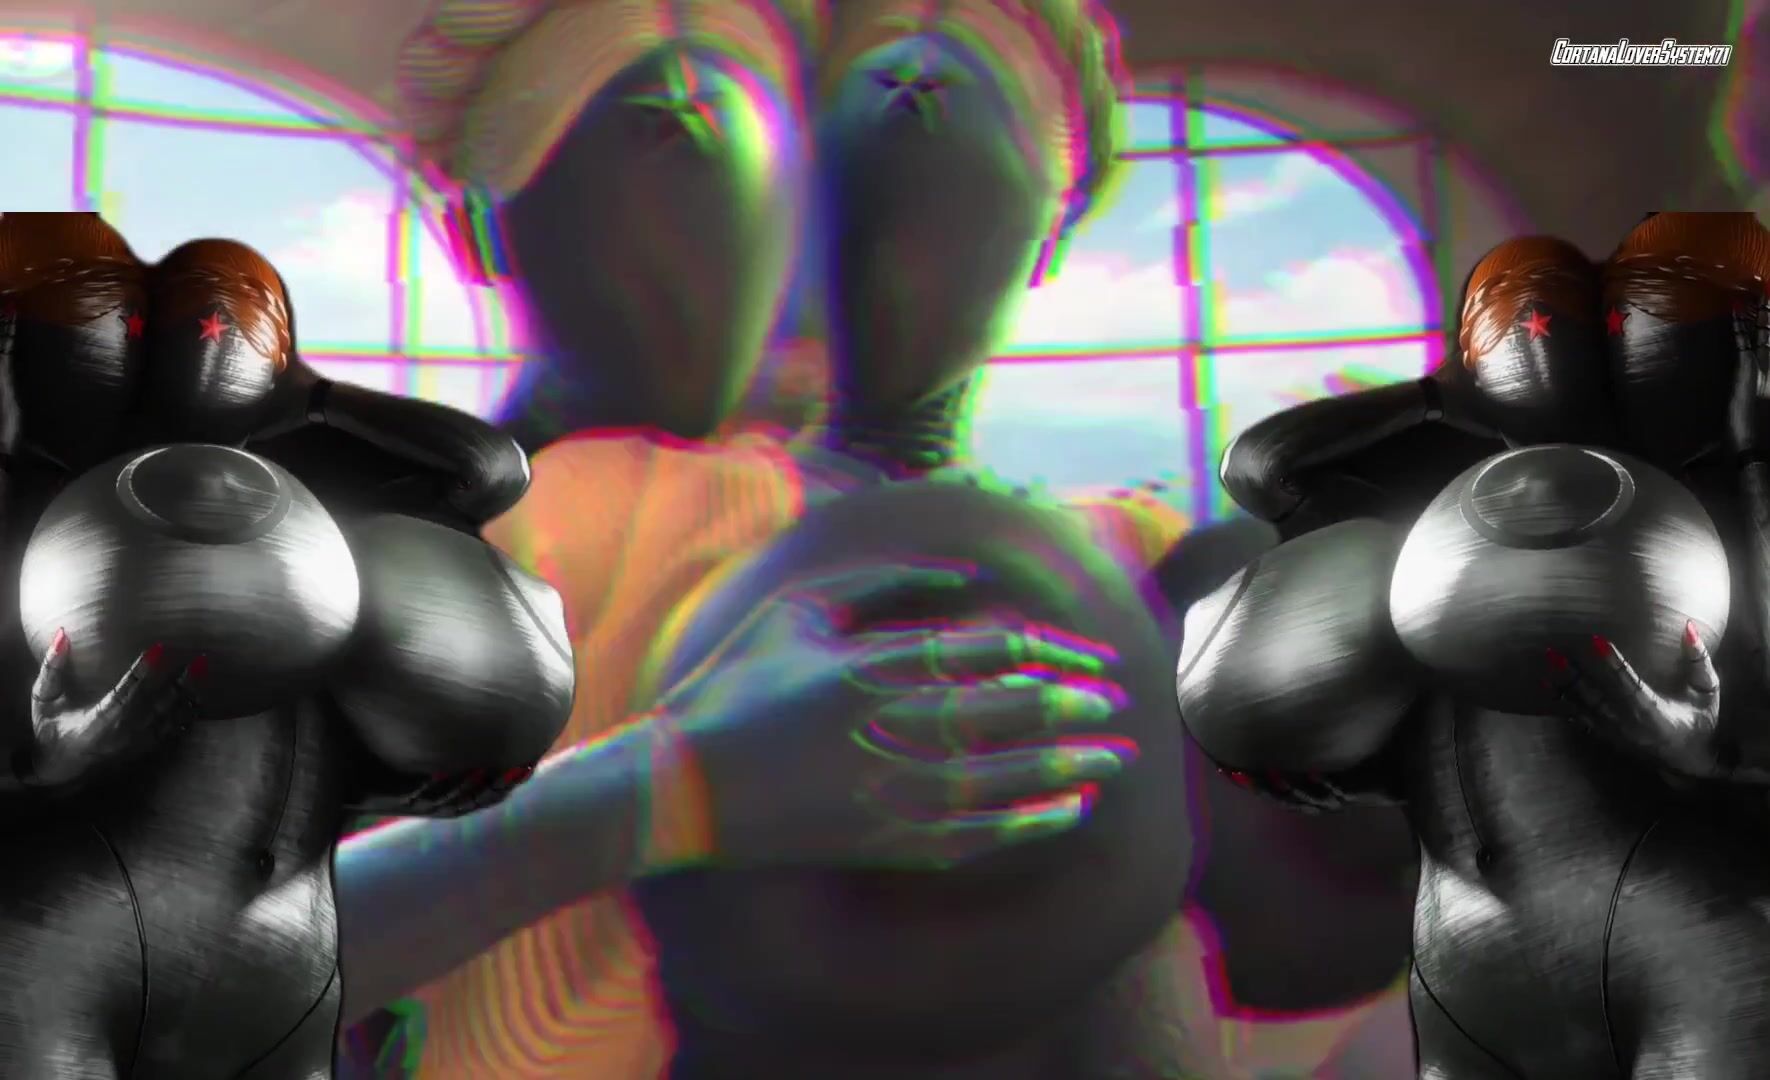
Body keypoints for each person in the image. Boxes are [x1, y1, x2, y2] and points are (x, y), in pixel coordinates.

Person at [332, 3, 1133, 1076]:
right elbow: (167, 970)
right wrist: (663, 789)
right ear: (476, 226)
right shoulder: (392, 553)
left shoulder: (836, 523)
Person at [1180, 211, 1770, 1077]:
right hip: (1468, 958)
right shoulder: (1445, 501)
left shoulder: (1715, 523)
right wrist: (1439, 397)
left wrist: (1712, 756)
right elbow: (1262, 467)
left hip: (1686, 945)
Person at [0, 211, 569, 1077]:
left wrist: (308, 395)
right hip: (58, 946)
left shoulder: (301, 488)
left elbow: (490, 468)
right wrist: (43, 765)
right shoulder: (34, 515)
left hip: (279, 955)